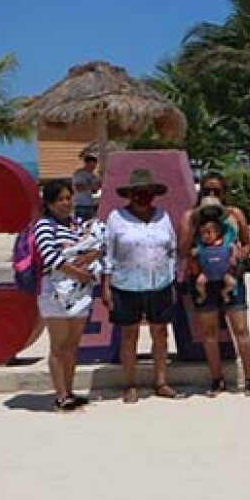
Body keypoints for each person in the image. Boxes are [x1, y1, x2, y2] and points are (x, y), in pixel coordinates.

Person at [101, 167, 183, 403]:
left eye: (147, 192)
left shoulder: (163, 216)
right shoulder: (116, 218)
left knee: (160, 333)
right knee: (129, 335)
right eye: (138, 192)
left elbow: (171, 250)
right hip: (126, 285)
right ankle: (129, 384)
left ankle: (161, 381)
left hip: (160, 283)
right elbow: (109, 254)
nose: (142, 196)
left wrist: (172, 279)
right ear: (130, 194)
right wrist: (106, 286)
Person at [179, 174, 250, 397]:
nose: (212, 195)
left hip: (230, 278)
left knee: (241, 329)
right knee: (209, 332)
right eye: (207, 191)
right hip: (202, 279)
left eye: (217, 191)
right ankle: (216, 379)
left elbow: (248, 244)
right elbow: (182, 251)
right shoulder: (189, 216)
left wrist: (237, 257)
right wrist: (195, 225)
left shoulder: (234, 215)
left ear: (224, 193)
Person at [31, 178, 99, 411]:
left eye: (68, 198)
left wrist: (88, 260)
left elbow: (94, 246)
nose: (65, 203)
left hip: (78, 291)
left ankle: (69, 390)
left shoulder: (78, 224)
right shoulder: (43, 225)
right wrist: (77, 272)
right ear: (49, 203)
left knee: (73, 344)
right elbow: (50, 257)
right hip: (54, 291)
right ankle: (60, 395)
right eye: (59, 199)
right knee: (58, 345)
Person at [187, 207, 239, 306]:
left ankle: (224, 293)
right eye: (203, 234)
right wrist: (193, 253)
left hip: (224, 273)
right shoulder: (201, 247)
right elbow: (192, 253)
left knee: (232, 283)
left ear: (217, 233)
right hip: (206, 273)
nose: (206, 236)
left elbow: (233, 247)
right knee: (199, 283)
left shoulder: (224, 243)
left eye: (209, 232)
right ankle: (203, 295)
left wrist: (233, 257)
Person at [71, 153, 101, 222]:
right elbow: (78, 188)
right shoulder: (79, 174)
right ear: (86, 164)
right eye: (91, 165)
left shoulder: (93, 176)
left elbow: (95, 189)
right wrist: (91, 186)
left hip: (89, 204)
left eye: (94, 166)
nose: (93, 168)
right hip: (80, 204)